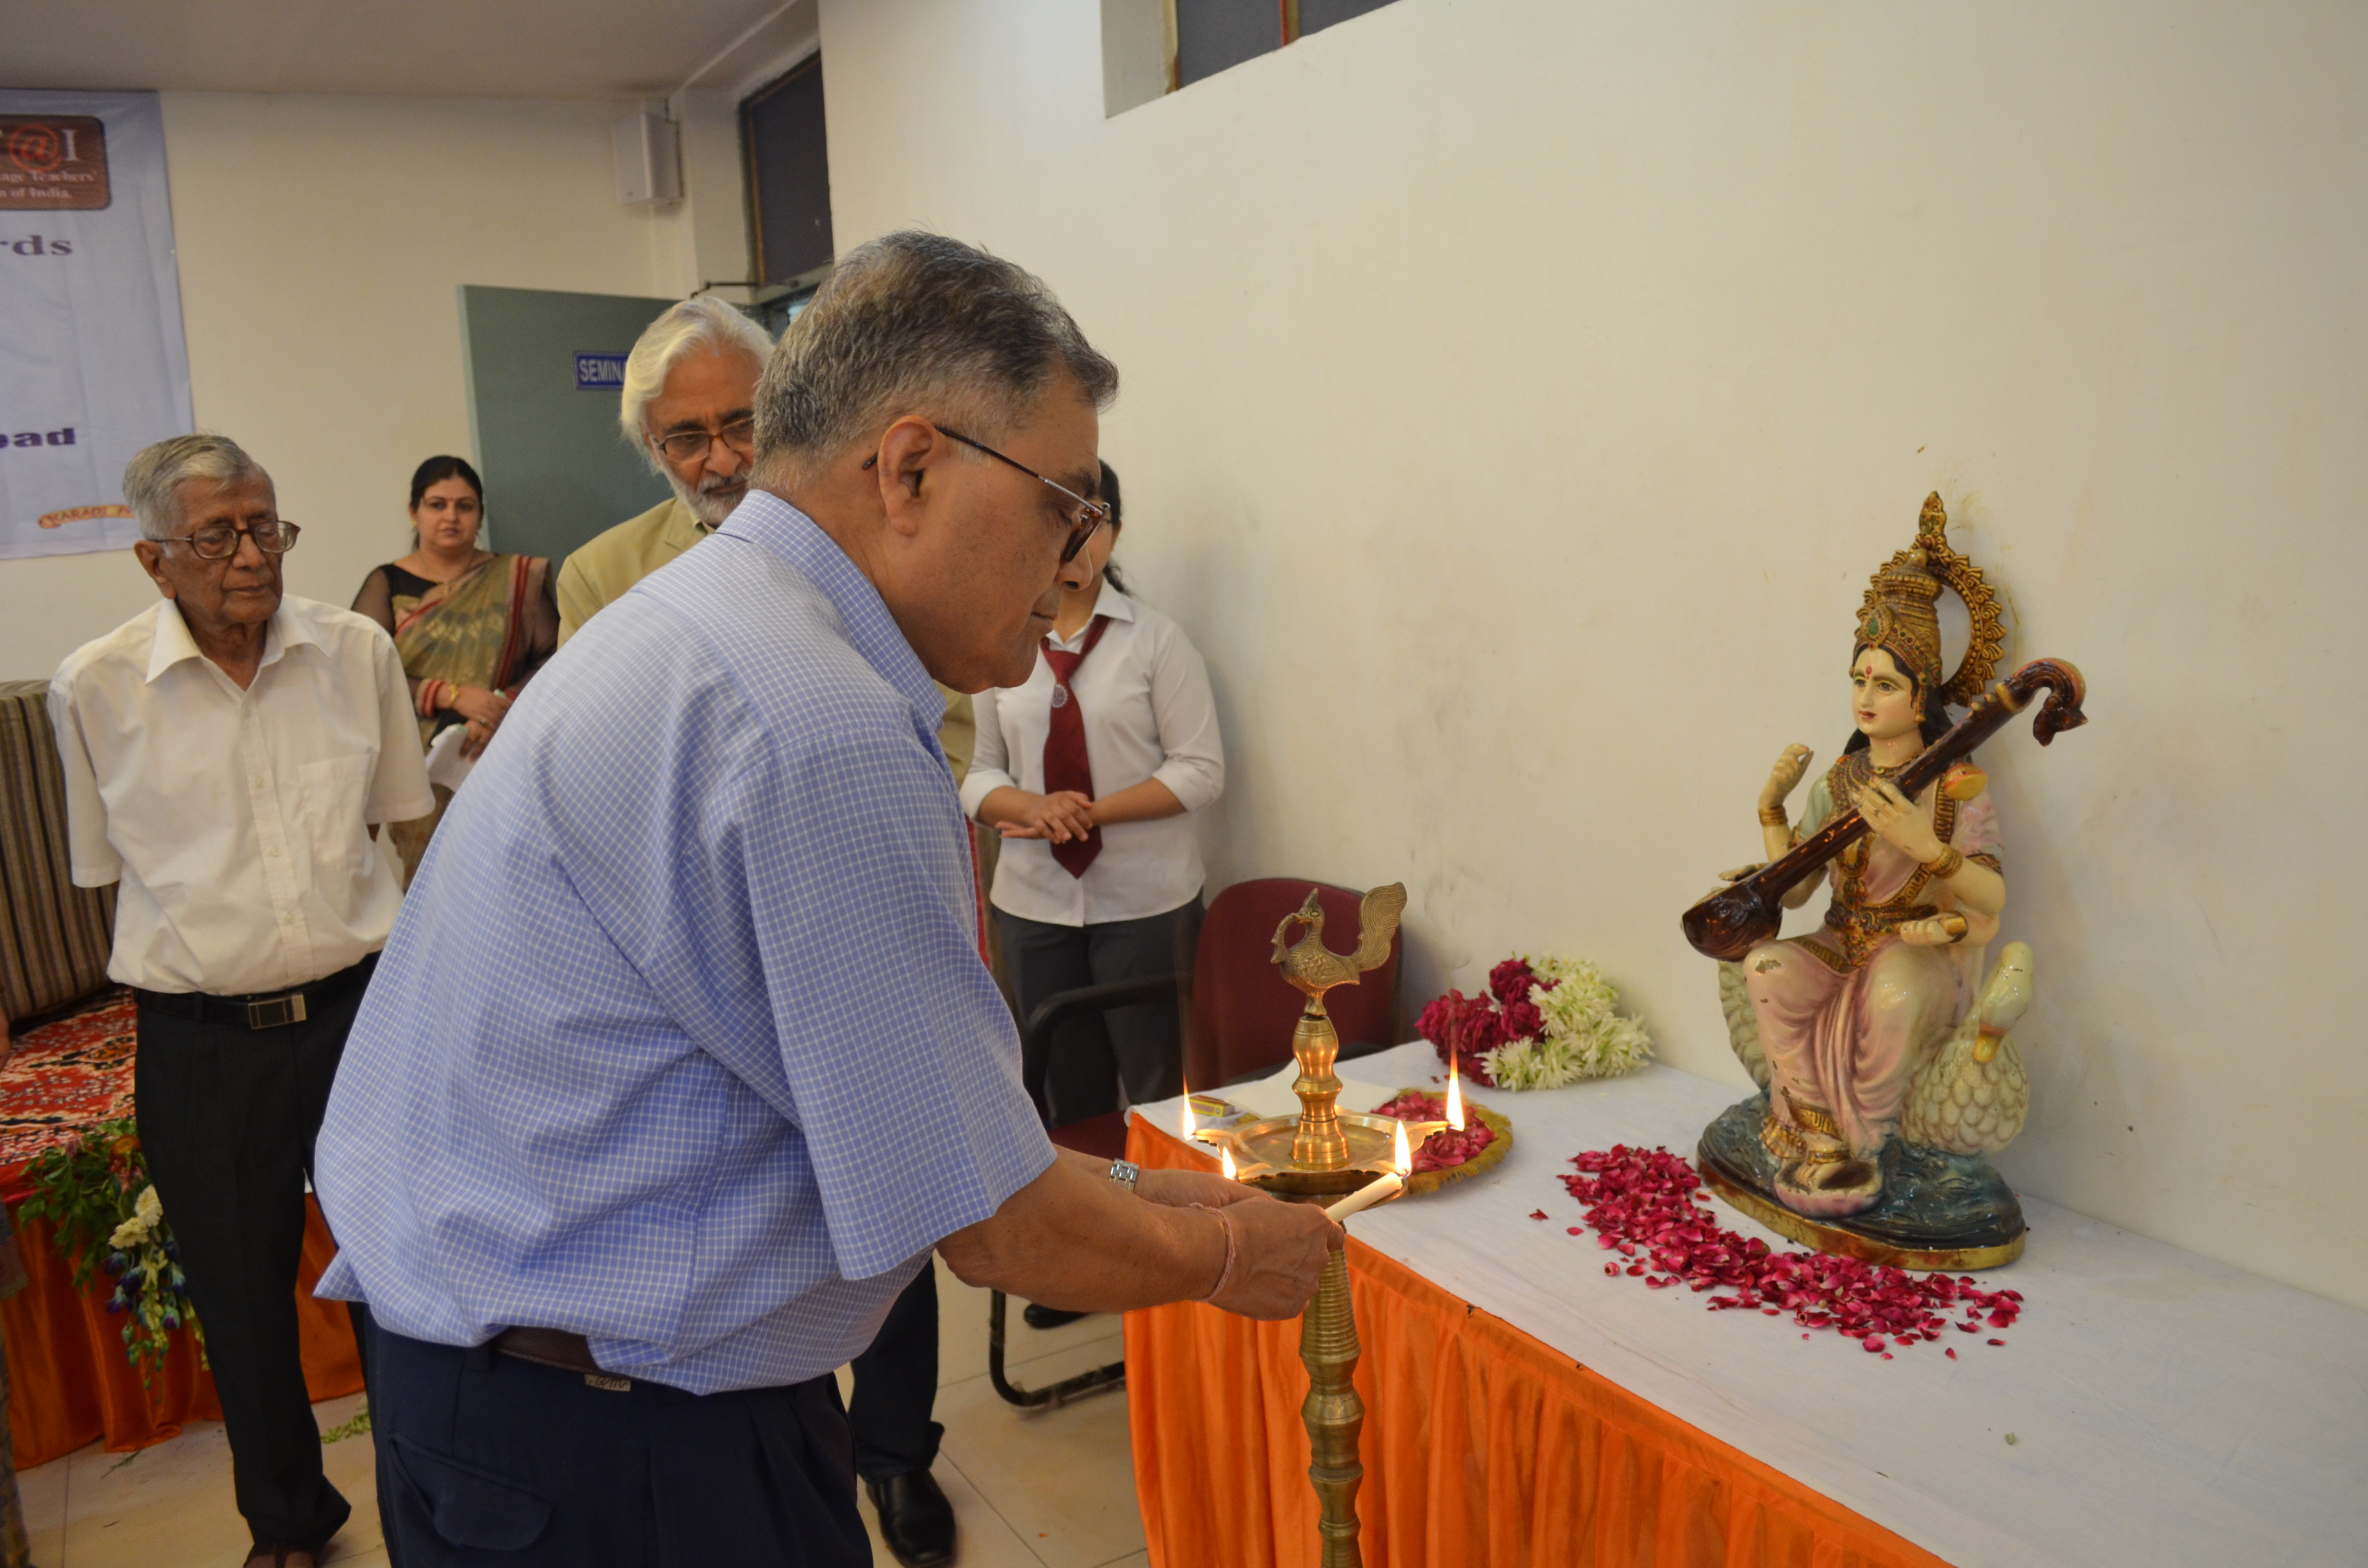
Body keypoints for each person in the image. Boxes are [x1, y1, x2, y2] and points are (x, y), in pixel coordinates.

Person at [311, 231, 1340, 1568]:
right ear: (909, 469)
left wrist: (1175, 1194)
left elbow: (947, 1144)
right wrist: (1233, 1261)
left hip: (498, 1390)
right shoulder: (814, 721)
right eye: (1064, 506)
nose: (1076, 556)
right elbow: (991, 1222)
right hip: (622, 1448)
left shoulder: (703, 621)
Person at [547, 295, 974, 1566]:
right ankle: (786, 1448)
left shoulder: (867, 542)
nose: (720, 456)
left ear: (786, 413)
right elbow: (599, 781)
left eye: (740, 422)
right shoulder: (602, 575)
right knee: (758, 1222)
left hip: (861, 933)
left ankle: (895, 1455)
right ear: (652, 449)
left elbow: (942, 728)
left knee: (897, 1202)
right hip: (699, 976)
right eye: (686, 437)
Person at [47, 434, 434, 1568]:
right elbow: (98, 870)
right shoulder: (96, 686)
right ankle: (289, 1523)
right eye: (216, 537)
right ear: (153, 559)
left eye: (265, 527)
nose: (252, 556)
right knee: (242, 1296)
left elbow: (403, 824)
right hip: (203, 1041)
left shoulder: (356, 650)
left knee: (402, 1273)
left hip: (361, 1017)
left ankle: (433, 1495)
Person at [1743, 543, 2006, 1219]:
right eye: (1859, 680)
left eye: (1885, 685)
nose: (1865, 697)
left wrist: (1927, 848)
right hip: (1842, 938)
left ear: (1921, 700)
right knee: (1767, 966)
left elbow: (1993, 896)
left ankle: (1869, 1146)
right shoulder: (1839, 784)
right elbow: (1793, 892)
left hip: (1914, 947)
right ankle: (1820, 1139)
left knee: (1891, 994)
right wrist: (1772, 810)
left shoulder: (1955, 786)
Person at [962, 461, 1222, 1127]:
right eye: (1060, 519)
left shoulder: (1157, 642)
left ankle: (1166, 1196)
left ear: (1116, 532)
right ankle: (1103, 1198)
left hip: (1147, 903)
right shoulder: (996, 643)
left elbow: (1200, 769)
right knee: (1065, 1098)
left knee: (1162, 1089)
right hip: (1034, 906)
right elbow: (974, 771)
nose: (1077, 537)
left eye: (1093, 519)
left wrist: (1088, 814)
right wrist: (1031, 808)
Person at [350, 455, 557, 885]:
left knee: (514, 878)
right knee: (433, 885)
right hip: (418, 764)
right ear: (414, 511)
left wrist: (498, 708)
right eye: (437, 504)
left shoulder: (516, 578)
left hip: (505, 747)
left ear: (480, 514)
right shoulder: (386, 583)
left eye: (465, 506)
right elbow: (362, 673)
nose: (451, 517)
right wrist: (452, 696)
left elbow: (554, 658)